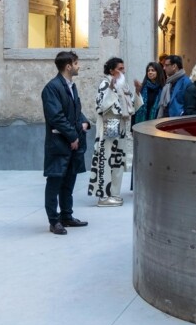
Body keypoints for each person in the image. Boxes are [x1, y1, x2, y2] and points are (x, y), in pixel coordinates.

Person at [41, 51, 90, 235]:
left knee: (68, 183)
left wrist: (85, 122)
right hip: (60, 145)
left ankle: (66, 216)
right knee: (54, 182)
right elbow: (57, 117)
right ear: (68, 66)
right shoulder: (51, 88)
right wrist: (73, 137)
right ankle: (54, 221)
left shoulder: (71, 86)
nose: (79, 66)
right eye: (76, 63)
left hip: (73, 144)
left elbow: (76, 110)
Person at [87, 57, 142, 207]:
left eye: (123, 68)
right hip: (109, 124)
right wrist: (111, 89)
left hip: (122, 126)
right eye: (120, 69)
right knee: (106, 159)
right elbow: (101, 106)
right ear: (111, 70)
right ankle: (104, 196)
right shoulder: (105, 84)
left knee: (117, 160)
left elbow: (133, 106)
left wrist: (137, 92)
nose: (123, 71)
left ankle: (115, 193)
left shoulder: (123, 85)